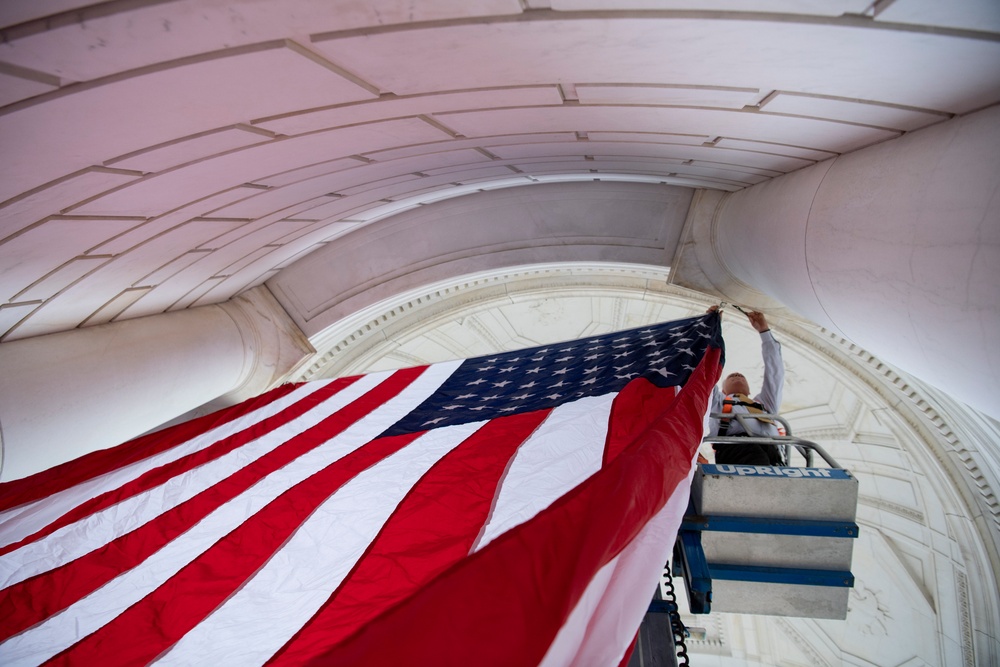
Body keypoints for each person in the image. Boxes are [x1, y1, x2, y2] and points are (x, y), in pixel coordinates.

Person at [707, 305, 785, 466]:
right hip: (735, 449)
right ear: (723, 390)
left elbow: (775, 372)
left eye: (741, 376)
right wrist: (710, 331)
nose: (737, 375)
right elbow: (706, 372)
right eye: (731, 376)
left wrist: (764, 331)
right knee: (758, 463)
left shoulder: (764, 404)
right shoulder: (718, 403)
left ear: (750, 391)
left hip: (770, 449)